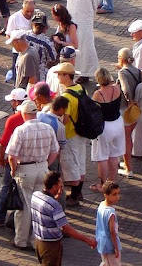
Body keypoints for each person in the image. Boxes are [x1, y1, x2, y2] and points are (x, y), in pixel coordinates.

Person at [6, 100, 59, 250]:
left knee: (24, 207)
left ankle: (21, 240)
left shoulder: (20, 130)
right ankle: (36, 240)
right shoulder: (47, 128)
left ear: (24, 114)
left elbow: (12, 156)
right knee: (39, 206)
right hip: (42, 168)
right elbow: (55, 151)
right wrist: (46, 164)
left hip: (25, 170)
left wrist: (13, 169)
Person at [31, 171, 97, 265]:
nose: (62, 187)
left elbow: (47, 208)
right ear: (54, 187)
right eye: (60, 184)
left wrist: (55, 198)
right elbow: (66, 228)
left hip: (38, 241)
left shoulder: (36, 195)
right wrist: (88, 240)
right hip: (51, 245)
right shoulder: (54, 205)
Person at [0, 88, 28, 227]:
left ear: (17, 102)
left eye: (12, 101)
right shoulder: (36, 116)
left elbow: (3, 142)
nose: (11, 104)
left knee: (6, 187)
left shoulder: (14, 119)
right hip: (31, 162)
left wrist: (0, 159)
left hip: (13, 159)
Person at [56, 62, 87, 207]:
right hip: (81, 131)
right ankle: (79, 192)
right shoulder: (80, 88)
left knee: (72, 165)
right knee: (80, 161)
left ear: (67, 76)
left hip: (70, 133)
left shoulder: (66, 96)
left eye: (60, 74)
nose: (58, 77)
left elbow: (66, 117)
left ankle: (74, 195)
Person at [90, 68, 124, 191]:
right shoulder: (117, 88)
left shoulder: (98, 94)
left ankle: (103, 185)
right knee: (114, 155)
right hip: (118, 123)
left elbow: (92, 110)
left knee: (102, 156)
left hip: (105, 127)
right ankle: (112, 181)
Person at [66, 0, 100, 82]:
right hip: (72, 20)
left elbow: (95, 1)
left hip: (85, 20)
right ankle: (75, 70)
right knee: (74, 45)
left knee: (86, 45)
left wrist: (90, 16)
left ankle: (87, 72)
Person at [116, 47, 142, 179]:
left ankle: (128, 168)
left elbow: (125, 89)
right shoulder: (138, 71)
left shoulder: (122, 73)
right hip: (137, 110)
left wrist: (129, 101)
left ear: (121, 59)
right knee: (129, 136)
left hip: (126, 109)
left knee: (126, 139)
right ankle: (127, 163)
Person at [128, 19, 142, 159]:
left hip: (140, 87)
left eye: (134, 33)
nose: (132, 36)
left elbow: (139, 70)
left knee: (139, 118)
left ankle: (137, 149)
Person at [5, 0, 35, 80]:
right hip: (18, 52)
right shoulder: (14, 18)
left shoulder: (36, 16)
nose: (29, 14)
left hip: (32, 51)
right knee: (17, 76)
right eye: (27, 11)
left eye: (32, 11)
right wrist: (16, 47)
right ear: (23, 8)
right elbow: (8, 35)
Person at [26, 10, 58, 83]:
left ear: (32, 24)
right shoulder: (47, 42)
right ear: (45, 27)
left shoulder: (24, 35)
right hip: (40, 74)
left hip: (25, 69)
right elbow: (53, 59)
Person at [96, 181, 122, 266]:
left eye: (118, 193)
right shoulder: (110, 213)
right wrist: (116, 247)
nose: (117, 197)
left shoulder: (101, 205)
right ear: (106, 195)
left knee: (106, 263)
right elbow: (112, 232)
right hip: (109, 245)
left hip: (102, 241)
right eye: (114, 194)